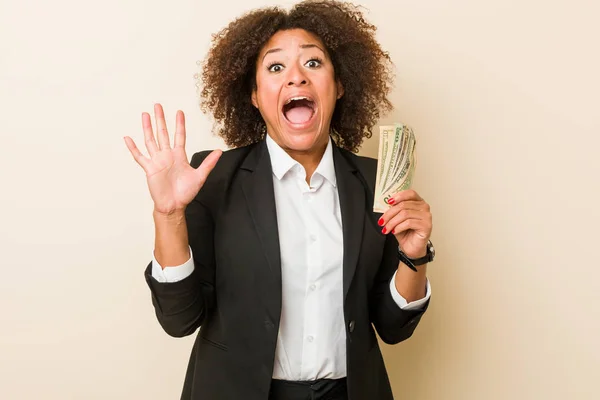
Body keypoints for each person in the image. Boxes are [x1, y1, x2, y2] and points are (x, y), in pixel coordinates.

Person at [124, 1, 434, 399]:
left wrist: (414, 255)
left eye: (313, 64)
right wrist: (168, 216)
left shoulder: (374, 182)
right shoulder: (213, 178)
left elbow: (393, 328)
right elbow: (179, 320)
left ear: (339, 85)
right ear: (254, 95)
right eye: (275, 67)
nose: (296, 79)